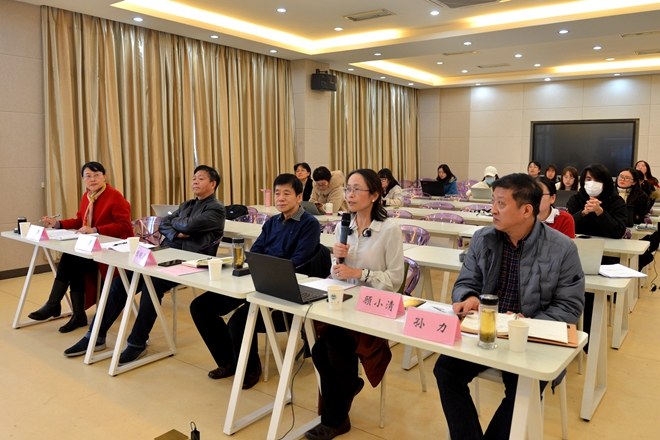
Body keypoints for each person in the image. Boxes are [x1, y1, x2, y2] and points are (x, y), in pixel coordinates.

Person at [434, 173, 585, 440]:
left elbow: (569, 307)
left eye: (501, 203)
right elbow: (466, 281)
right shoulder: (483, 239)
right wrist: (469, 297)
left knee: (524, 387)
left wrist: (526, 326)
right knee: (445, 371)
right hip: (484, 331)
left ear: (526, 210)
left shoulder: (562, 249)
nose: (493, 210)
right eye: (493, 201)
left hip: (530, 339)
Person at [63, 165, 226, 364]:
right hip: (166, 254)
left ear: (213, 184)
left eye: (200, 178)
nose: (195, 182)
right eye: (194, 178)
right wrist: (177, 231)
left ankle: (137, 343)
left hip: (192, 260)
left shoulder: (216, 208)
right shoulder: (187, 204)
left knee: (152, 284)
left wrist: (177, 225)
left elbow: (188, 225)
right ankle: (95, 334)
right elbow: (164, 223)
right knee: (122, 280)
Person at [189, 173, 322, 389]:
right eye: (277, 193)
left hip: (284, 288)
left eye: (287, 193)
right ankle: (230, 361)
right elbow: (257, 250)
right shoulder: (272, 222)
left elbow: (299, 260)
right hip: (256, 280)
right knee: (200, 307)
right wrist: (255, 265)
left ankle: (251, 367)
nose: (280, 198)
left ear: (299, 197)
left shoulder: (309, 224)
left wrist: (266, 267)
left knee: (238, 321)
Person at [306, 169, 404, 440]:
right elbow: (336, 275)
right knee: (318, 351)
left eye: (356, 189)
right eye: (348, 189)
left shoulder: (389, 229)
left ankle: (335, 420)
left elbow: (395, 280)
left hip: (374, 308)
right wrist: (336, 260)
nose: (349, 195)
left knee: (334, 346)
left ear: (374, 195)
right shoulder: (343, 226)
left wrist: (360, 273)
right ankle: (348, 388)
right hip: (345, 305)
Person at [28, 162, 133, 333]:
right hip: (93, 247)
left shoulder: (115, 196)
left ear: (104, 177)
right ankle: (70, 311)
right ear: (83, 179)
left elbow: (124, 225)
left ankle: (58, 306)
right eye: (88, 176)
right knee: (71, 259)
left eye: (96, 175)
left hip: (112, 249)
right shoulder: (88, 196)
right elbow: (79, 221)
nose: (93, 179)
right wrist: (57, 223)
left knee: (71, 261)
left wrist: (96, 230)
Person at [566, 164, 627, 239]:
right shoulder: (575, 199)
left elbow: (618, 232)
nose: (592, 183)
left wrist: (600, 212)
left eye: (597, 180)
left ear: (605, 183)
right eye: (589, 179)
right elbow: (566, 226)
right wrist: (583, 213)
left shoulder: (616, 201)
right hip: (579, 242)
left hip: (607, 243)